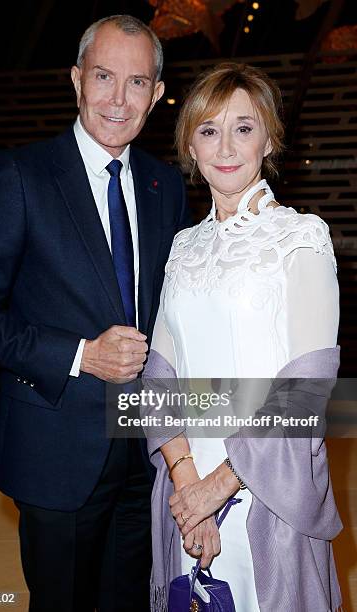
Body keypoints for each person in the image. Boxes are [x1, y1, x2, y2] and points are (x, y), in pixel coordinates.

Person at [0, 14, 189, 612]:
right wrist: (81, 355)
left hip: (144, 450)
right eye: (104, 76)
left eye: (137, 83)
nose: (117, 98)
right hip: (55, 450)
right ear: (77, 78)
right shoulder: (21, 175)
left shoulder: (167, 186)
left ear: (157, 95)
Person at [144, 62, 342, 611]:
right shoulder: (183, 247)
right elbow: (158, 377)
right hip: (184, 493)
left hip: (266, 492)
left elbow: (305, 390)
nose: (225, 146)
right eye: (208, 130)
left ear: (269, 138)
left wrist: (218, 487)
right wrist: (188, 485)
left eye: (243, 127)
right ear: (190, 144)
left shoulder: (301, 238)